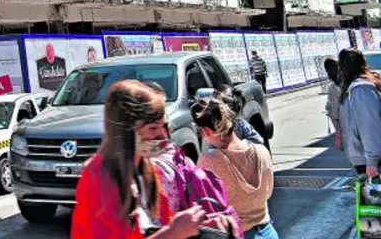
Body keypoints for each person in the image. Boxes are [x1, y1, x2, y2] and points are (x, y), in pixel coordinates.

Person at [72, 80, 211, 239]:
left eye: (163, 126)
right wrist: (173, 233)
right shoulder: (98, 177)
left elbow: (161, 225)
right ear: (126, 132)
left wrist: (202, 228)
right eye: (153, 128)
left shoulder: (148, 170)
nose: (163, 136)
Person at [192, 95, 275, 239]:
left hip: (238, 234)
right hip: (268, 231)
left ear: (205, 131)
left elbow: (205, 207)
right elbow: (268, 193)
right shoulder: (262, 151)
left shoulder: (208, 162)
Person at [338, 48, 381, 177]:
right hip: (365, 157)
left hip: (370, 160)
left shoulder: (361, 90)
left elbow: (369, 127)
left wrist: (372, 162)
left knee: (372, 195)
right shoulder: (358, 87)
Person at [325, 57, 342, 150]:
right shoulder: (332, 88)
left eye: (333, 68)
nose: (330, 73)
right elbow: (330, 109)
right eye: (328, 70)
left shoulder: (349, 85)